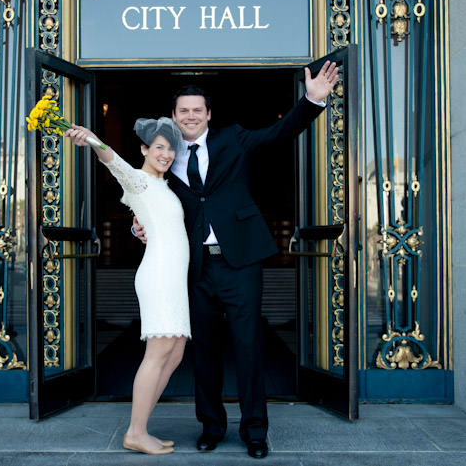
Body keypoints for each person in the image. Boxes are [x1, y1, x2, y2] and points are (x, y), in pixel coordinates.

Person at [133, 60, 339, 459]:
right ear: (173, 117)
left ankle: (255, 431)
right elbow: (144, 197)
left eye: (197, 109)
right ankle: (210, 426)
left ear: (208, 114)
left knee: (248, 346)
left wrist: (311, 101)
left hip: (240, 262)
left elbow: (279, 133)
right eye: (183, 111)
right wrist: (137, 229)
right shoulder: (165, 155)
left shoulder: (234, 138)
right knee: (204, 350)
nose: (190, 116)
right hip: (192, 268)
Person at [65, 117, 190, 456]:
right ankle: (135, 432)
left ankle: (142, 427)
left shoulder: (165, 186)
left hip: (174, 278)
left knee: (175, 352)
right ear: (145, 149)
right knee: (158, 353)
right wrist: (92, 139)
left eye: (170, 149)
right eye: (158, 148)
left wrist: (138, 229)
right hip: (159, 276)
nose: (165, 154)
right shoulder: (139, 181)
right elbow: (114, 163)